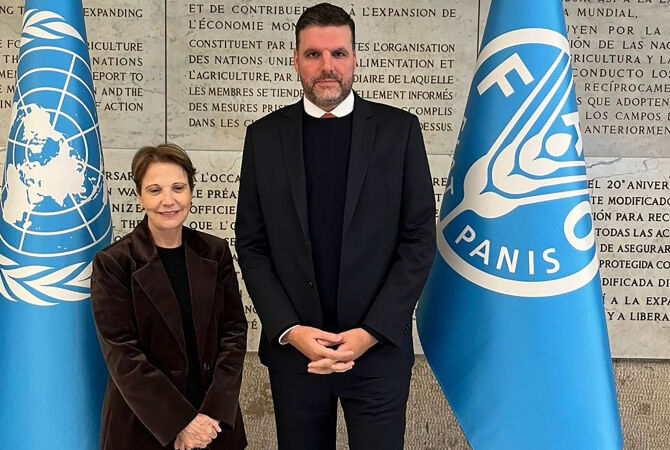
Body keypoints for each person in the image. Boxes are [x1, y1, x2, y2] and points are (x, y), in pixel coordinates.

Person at [235, 3, 436, 449]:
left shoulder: (399, 130)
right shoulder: (264, 136)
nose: (327, 67)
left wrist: (371, 332)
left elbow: (419, 240)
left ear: (354, 59)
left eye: (338, 54)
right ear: (295, 60)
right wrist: (289, 329)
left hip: (376, 350)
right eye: (313, 55)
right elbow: (251, 243)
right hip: (297, 356)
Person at [92, 144, 248, 450]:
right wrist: (180, 423)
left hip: (214, 425)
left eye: (178, 188)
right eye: (155, 190)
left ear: (191, 191)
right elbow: (122, 353)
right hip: (143, 427)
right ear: (140, 196)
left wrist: (212, 414)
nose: (168, 200)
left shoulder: (215, 252)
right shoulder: (114, 263)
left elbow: (234, 332)